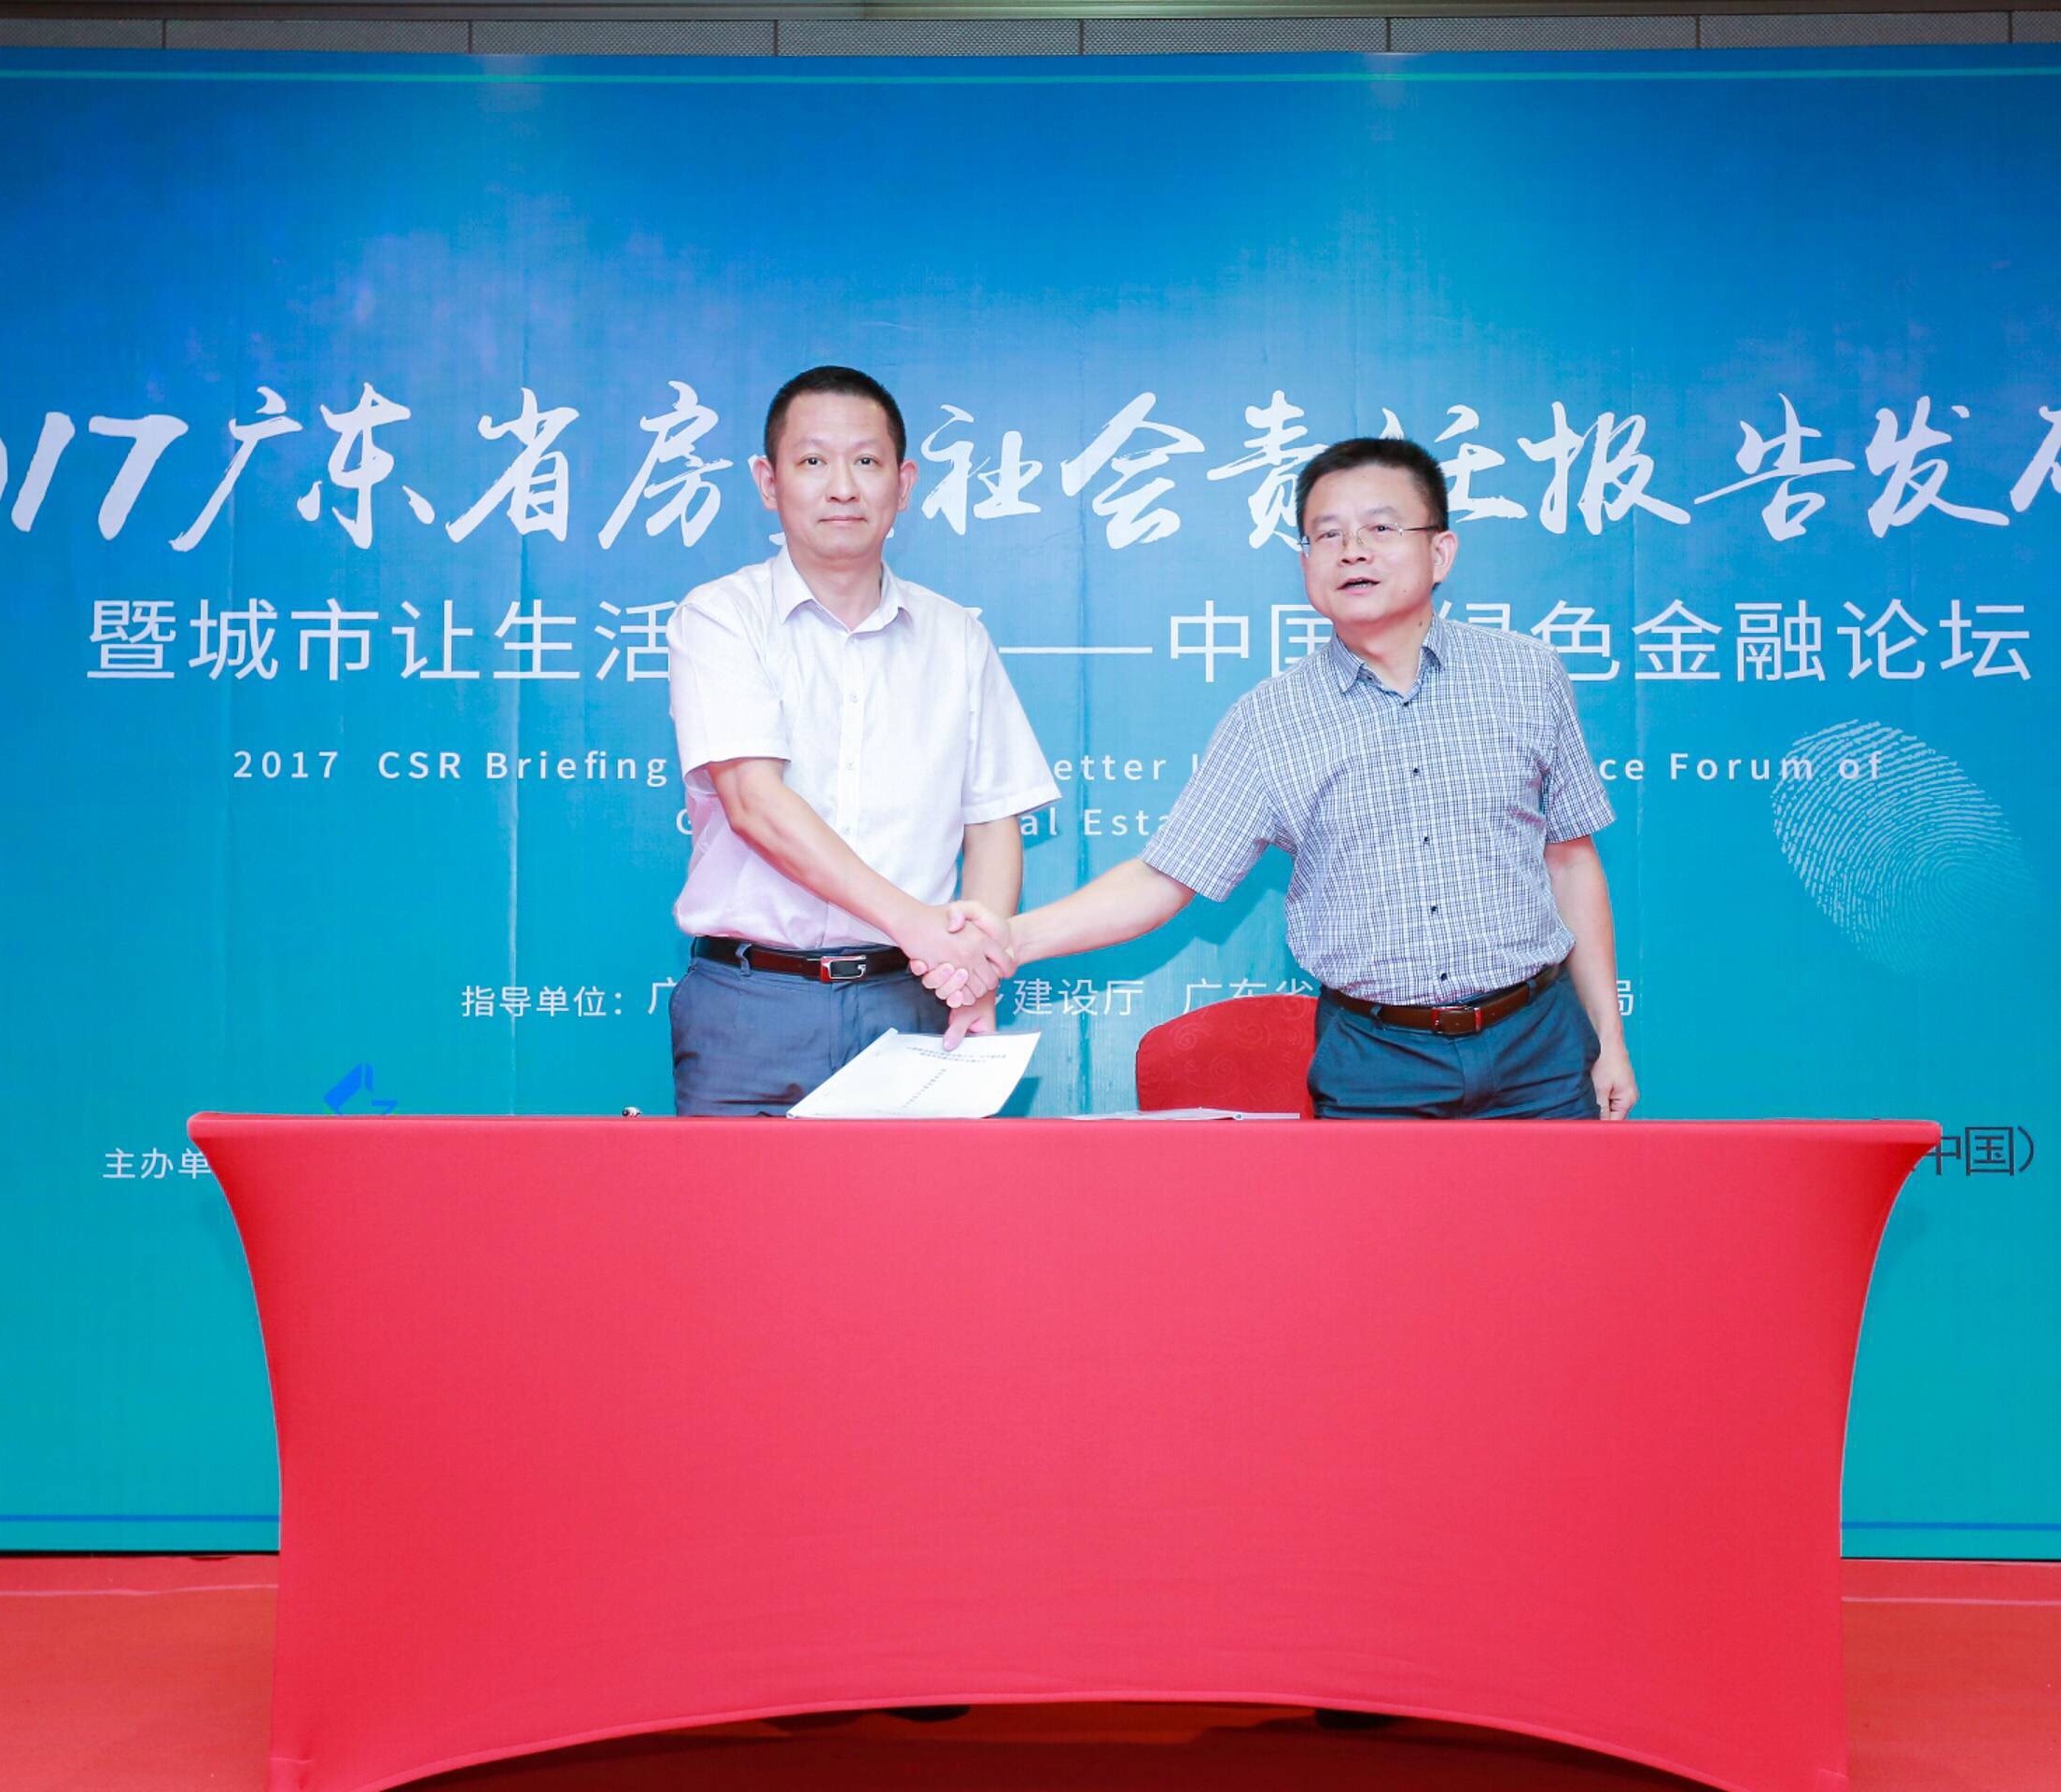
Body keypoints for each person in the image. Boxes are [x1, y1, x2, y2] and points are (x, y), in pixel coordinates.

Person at [926, 436, 1637, 1121]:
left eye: (1380, 527)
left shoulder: (1528, 675)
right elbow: (1162, 879)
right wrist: (1008, 940)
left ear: (1440, 551)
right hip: (1377, 1061)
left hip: (1540, 1046)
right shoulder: (1269, 721)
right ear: (1306, 563)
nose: (1352, 550)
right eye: (1328, 534)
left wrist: (1608, 1038)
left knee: (1558, 1214)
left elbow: (1571, 861)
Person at [665, 366, 1056, 1116]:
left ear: (903, 485)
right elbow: (755, 803)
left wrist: (974, 976)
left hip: (909, 1000)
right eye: (813, 461)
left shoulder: (956, 636)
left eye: (867, 461)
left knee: (912, 1201)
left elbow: (992, 822)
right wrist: (919, 926)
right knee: (737, 1200)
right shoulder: (720, 617)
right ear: (769, 482)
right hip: (751, 1006)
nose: (842, 488)